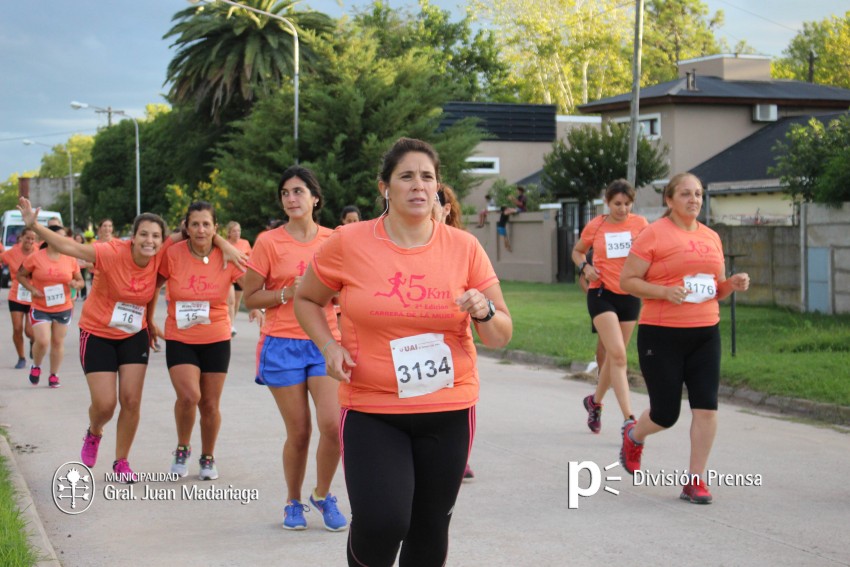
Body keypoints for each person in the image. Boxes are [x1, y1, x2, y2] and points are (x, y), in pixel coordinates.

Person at [295, 137, 513, 566]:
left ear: (438, 188)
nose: (418, 185)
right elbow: (306, 299)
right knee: (382, 521)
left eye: (427, 177)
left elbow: (501, 334)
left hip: (448, 408)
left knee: (429, 527)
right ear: (384, 188)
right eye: (406, 176)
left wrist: (484, 311)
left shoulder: (464, 247)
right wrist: (328, 344)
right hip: (373, 407)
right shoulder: (349, 242)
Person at [619, 173, 750, 504]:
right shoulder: (654, 235)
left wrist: (730, 284)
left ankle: (695, 481)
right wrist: (664, 291)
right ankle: (634, 436)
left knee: (706, 407)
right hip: (661, 333)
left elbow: (714, 288)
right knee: (666, 414)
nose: (694, 200)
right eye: (686, 194)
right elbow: (628, 281)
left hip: (705, 332)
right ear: (670, 200)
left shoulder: (711, 237)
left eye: (699, 194)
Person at [241, 166, 347, 532]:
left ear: (315, 198)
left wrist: (327, 293)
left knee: (333, 426)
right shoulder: (268, 242)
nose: (291, 198)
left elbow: (345, 292)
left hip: (324, 342)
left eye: (299, 191)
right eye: (285, 193)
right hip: (281, 344)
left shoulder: (334, 240)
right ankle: (292, 500)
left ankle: (322, 493)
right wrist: (290, 291)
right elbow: (249, 297)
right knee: (299, 432)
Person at [155, 202, 246, 482]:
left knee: (209, 404)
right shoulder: (172, 254)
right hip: (180, 336)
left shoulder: (228, 256)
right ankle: (182, 448)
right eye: (194, 224)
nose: (200, 229)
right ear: (186, 226)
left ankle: (208, 457)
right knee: (189, 396)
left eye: (206, 224)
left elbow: (251, 285)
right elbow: (151, 286)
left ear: (215, 227)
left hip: (217, 337)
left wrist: (257, 307)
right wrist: (148, 321)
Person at [571, 180, 648, 434]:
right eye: (617, 204)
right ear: (607, 202)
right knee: (618, 355)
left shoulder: (640, 225)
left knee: (616, 358)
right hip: (601, 294)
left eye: (627, 204)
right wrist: (586, 267)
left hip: (630, 295)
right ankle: (629, 418)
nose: (623, 209)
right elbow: (578, 252)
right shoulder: (597, 225)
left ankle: (595, 402)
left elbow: (650, 254)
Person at [434, 184, 476, 481]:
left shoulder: (463, 246)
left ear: (446, 210)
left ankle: (456, 455)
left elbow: (498, 318)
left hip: (450, 356)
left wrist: (482, 308)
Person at [17, 225, 84, 388]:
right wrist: (32, 289)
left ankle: (54, 374)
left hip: (63, 306)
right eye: (58, 236)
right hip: (41, 306)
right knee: (43, 340)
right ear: (48, 237)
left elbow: (80, 281)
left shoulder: (70, 258)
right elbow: (20, 275)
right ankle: (36, 366)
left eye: (64, 237)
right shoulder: (35, 257)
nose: (62, 240)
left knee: (57, 342)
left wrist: (76, 283)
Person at [1, 227, 37, 369]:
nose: (30, 241)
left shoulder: (38, 251)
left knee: (29, 331)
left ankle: (33, 343)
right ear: (21, 237)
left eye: (33, 239)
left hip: (33, 294)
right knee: (17, 328)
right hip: (16, 294)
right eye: (27, 238)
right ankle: (21, 357)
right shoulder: (12, 252)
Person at [224, 221, 252, 336]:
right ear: (229, 233)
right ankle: (228, 325)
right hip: (228, 276)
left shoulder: (245, 243)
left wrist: (243, 258)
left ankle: (231, 323)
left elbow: (250, 258)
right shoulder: (225, 244)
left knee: (236, 303)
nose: (237, 233)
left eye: (239, 230)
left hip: (241, 275)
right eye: (234, 231)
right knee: (230, 301)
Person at [73, 232, 92, 300]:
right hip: (74, 266)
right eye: (76, 238)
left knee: (82, 279)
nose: (78, 240)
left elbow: (88, 256)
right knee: (75, 280)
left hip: (82, 266)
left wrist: (87, 263)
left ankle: (83, 294)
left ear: (82, 239)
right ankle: (76, 294)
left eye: (79, 238)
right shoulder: (72, 247)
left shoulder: (84, 247)